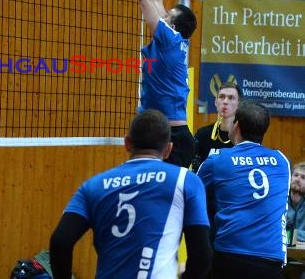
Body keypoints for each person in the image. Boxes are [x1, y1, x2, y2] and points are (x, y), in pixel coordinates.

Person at [49, 109, 212, 279]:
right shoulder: (185, 180)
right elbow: (202, 256)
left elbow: (60, 241)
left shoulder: (93, 185)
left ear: (127, 143)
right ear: (168, 149)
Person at [197, 101, 290, 279]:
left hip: (231, 254)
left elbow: (193, 194)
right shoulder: (282, 161)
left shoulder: (217, 160)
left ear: (236, 125)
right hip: (271, 258)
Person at [129, 0, 198, 168]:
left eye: (168, 16)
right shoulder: (176, 40)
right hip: (163, 133)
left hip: (173, 138)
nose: (164, 13)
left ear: (174, 25)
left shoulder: (169, 39)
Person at [192, 82, 242, 172]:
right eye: (222, 97)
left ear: (239, 104)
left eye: (231, 98)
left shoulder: (244, 136)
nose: (225, 102)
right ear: (216, 102)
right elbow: (196, 171)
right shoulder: (202, 135)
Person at [287, 162, 305, 244]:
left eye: (303, 178)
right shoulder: (279, 200)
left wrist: (289, 234)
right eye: (295, 175)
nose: (297, 179)